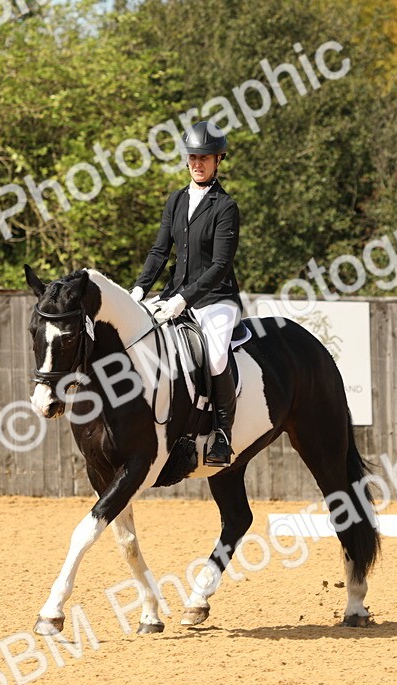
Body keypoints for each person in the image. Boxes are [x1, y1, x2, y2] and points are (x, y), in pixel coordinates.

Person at [130, 120, 242, 467]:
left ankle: (223, 434)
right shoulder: (176, 200)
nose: (198, 163)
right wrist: (139, 289)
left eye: (205, 158)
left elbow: (220, 265)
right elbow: (159, 251)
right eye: (193, 157)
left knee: (217, 357)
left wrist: (184, 300)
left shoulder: (226, 207)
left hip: (216, 300)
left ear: (218, 160)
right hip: (172, 294)